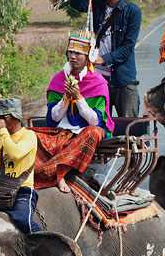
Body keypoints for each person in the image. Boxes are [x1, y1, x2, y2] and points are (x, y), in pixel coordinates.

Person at [35, 30, 110, 193]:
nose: (73, 57)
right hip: (62, 132)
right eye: (70, 52)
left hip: (85, 133)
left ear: (88, 56)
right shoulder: (58, 79)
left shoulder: (98, 82)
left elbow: (95, 121)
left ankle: (58, 173)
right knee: (27, 135)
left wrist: (78, 98)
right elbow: (52, 119)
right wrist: (66, 99)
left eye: (78, 53)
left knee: (94, 132)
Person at [71, 0, 142, 118]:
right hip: (97, 78)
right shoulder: (94, 3)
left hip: (124, 79)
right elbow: (75, 2)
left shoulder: (132, 11)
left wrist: (103, 59)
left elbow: (127, 48)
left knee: (130, 128)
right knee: (99, 125)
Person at [0, 97, 39, 234]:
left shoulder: (29, 135)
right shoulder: (2, 140)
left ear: (14, 117)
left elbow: (16, 153)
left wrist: (3, 131)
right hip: (2, 191)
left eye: (3, 117)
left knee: (23, 221)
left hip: (23, 190)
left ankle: (43, 243)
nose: (0, 121)